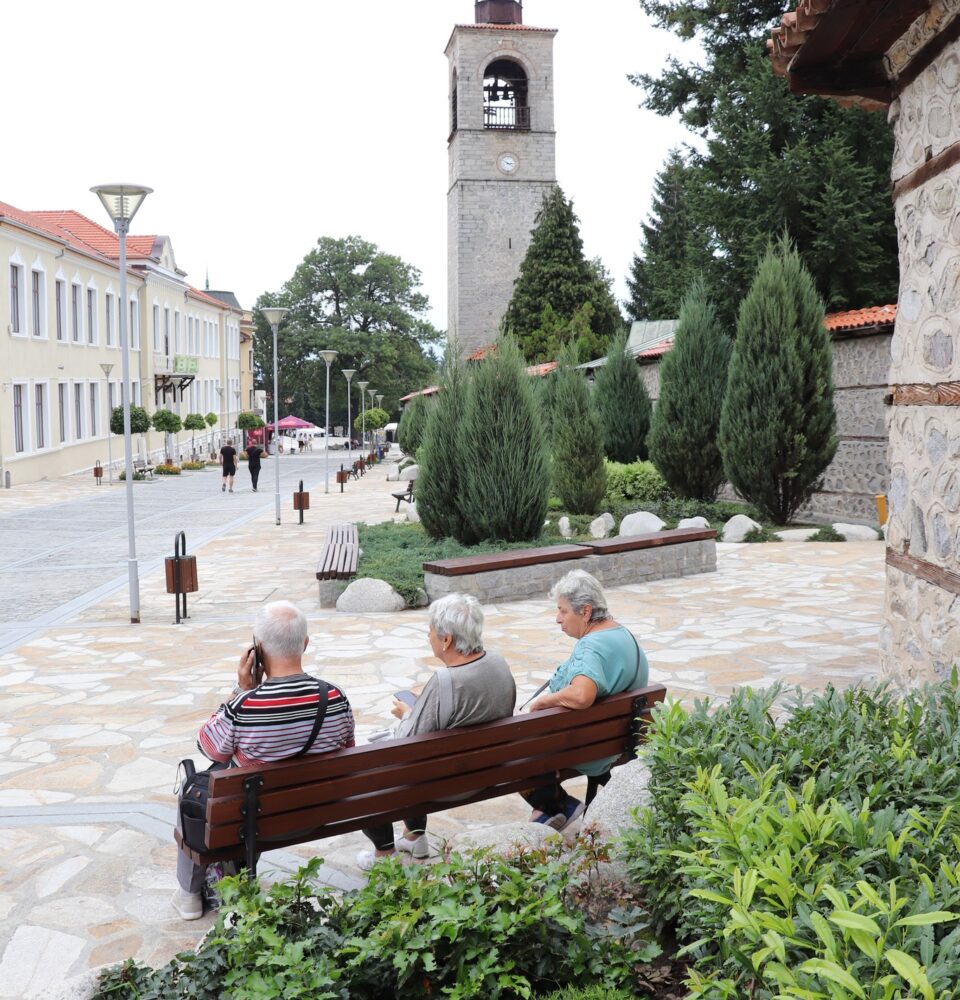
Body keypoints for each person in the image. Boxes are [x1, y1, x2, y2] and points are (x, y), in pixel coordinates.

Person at [173, 601, 355, 920]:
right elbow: (348, 747)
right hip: (316, 812)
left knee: (198, 785)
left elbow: (209, 746)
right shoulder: (335, 698)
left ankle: (189, 895)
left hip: (255, 823)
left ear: (257, 648)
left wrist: (240, 689)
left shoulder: (244, 706)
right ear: (305, 643)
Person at [357, 593, 515, 871]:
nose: (428, 637)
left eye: (429, 632)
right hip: (490, 770)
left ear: (446, 639)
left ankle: (384, 854)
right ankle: (414, 836)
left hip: (448, 782)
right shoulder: (498, 662)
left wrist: (408, 713)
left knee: (369, 766)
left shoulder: (446, 680)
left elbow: (407, 741)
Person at [523, 569, 648, 831]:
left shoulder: (590, 646)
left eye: (563, 611)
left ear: (586, 611)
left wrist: (544, 701)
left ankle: (555, 805)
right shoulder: (623, 635)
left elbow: (582, 694)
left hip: (587, 750)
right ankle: (555, 806)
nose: (558, 619)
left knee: (514, 750)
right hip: (619, 743)